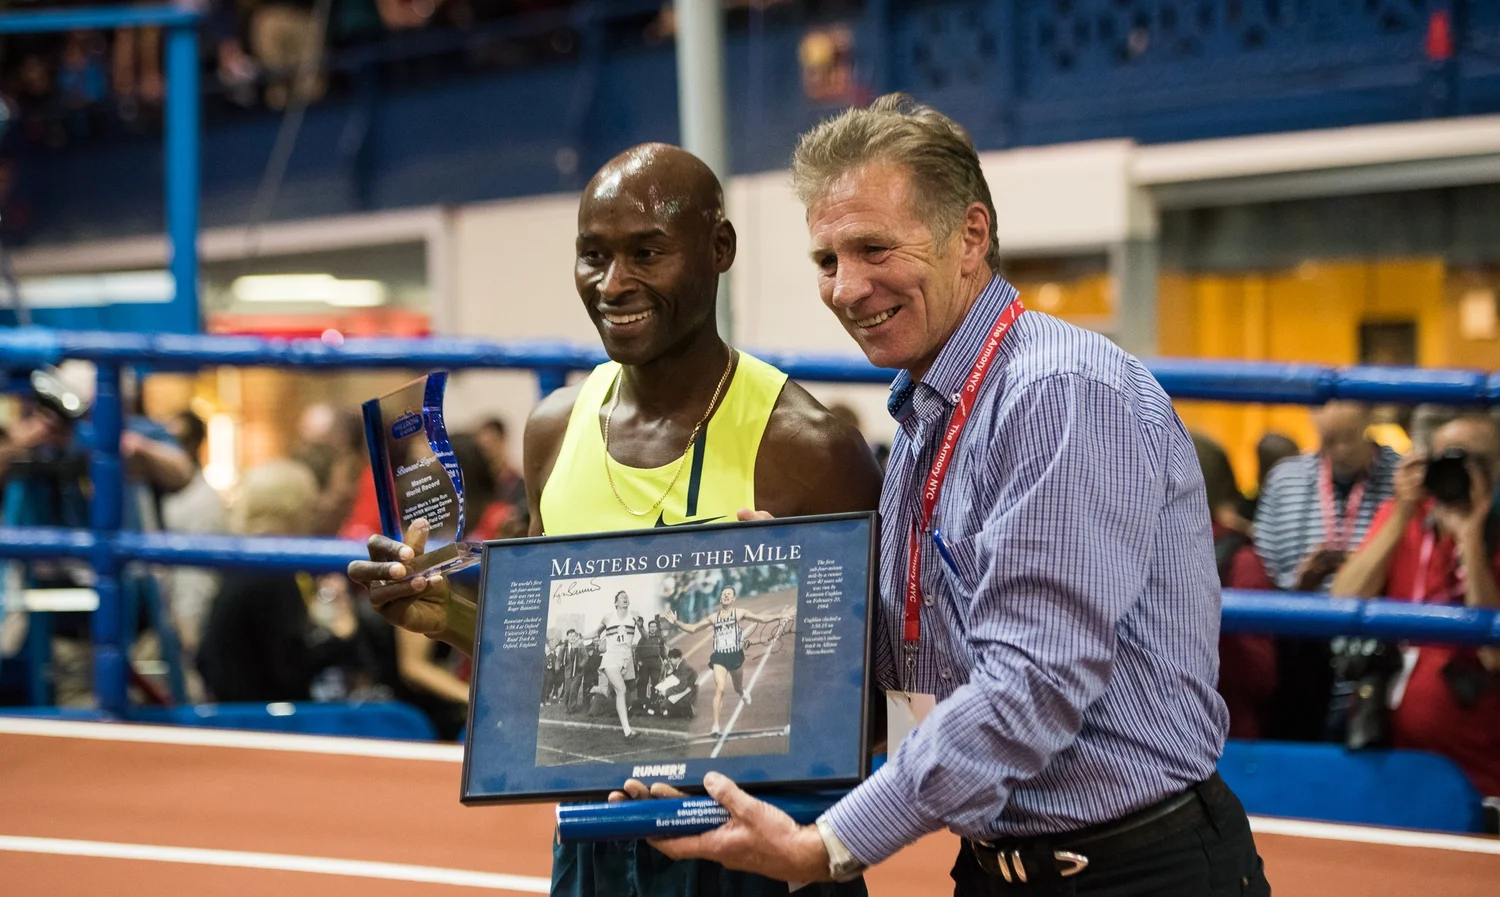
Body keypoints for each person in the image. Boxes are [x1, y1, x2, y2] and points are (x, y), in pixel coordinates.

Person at [628, 94, 1267, 896]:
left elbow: (1029, 683)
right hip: (1005, 866)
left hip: (1129, 871)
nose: (846, 288)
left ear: (970, 236)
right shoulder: (932, 405)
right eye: (826, 260)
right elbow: (935, 654)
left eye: (872, 248)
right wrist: (799, 588)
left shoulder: (1054, 393)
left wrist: (826, 843)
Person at [349, 142, 881, 897]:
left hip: (753, 855)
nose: (614, 282)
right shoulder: (554, 429)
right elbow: (553, 674)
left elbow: (867, 717)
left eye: (646, 252)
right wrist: (454, 619)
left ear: (719, 249)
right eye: (592, 254)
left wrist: (774, 617)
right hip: (598, 846)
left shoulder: (805, 449)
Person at [1330, 414, 1500, 798]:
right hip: (1393, 756)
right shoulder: (1404, 517)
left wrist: (1471, 538)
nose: (1462, 472)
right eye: (1450, 459)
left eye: (1478, 461)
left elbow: (1494, 655)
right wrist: (1403, 512)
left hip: (1481, 770)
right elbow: (1343, 600)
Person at [1253, 401, 1401, 742]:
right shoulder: (1285, 478)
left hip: (1377, 651)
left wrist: (1364, 570)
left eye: (1347, 438)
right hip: (1303, 652)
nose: (1336, 450)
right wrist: (1300, 582)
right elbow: (1263, 570)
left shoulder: (1401, 477)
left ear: (1369, 423)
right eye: (1327, 439)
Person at [199, 461, 371, 703]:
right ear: (294, 509)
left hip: (239, 708)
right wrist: (343, 637)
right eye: (310, 504)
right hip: (261, 718)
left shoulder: (249, 559)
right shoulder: (273, 568)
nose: (317, 509)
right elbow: (290, 671)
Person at [1193, 434, 1278, 739]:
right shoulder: (1135, 550)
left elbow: (1260, 676)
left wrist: (1208, 618)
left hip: (1223, 740)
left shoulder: (1240, 560)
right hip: (1158, 732)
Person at [664, 586, 793, 736]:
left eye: (729, 594)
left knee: (737, 687)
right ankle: (716, 726)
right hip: (719, 656)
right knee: (720, 688)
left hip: (735, 656)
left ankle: (742, 692)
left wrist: (780, 616)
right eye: (724, 594)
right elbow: (693, 629)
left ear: (733, 599)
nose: (726, 596)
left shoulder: (739, 613)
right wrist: (676, 622)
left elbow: (762, 619)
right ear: (720, 599)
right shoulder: (714, 617)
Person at [588, 590, 643, 738]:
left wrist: (640, 625)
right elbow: (595, 633)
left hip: (625, 661)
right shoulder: (608, 617)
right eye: (621, 597)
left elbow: (644, 635)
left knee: (613, 692)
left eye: (627, 596)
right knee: (621, 690)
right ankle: (628, 731)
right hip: (610, 658)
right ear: (616, 603)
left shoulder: (635, 614)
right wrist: (582, 637)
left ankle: (596, 689)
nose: (625, 598)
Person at [649, 647, 699, 719]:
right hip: (685, 690)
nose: (670, 661)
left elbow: (682, 686)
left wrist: (666, 692)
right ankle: (682, 710)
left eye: (671, 658)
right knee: (664, 706)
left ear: (678, 659)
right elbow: (674, 679)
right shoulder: (680, 665)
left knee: (665, 707)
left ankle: (687, 710)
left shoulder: (684, 667)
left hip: (688, 692)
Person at [634, 619, 667, 709]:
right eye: (651, 627)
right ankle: (642, 701)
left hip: (655, 662)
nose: (652, 628)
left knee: (656, 681)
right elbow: (637, 651)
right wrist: (639, 661)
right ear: (648, 628)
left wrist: (665, 659)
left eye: (654, 627)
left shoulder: (659, 639)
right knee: (643, 682)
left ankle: (654, 701)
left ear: (656, 628)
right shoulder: (643, 638)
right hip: (644, 663)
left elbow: (662, 650)